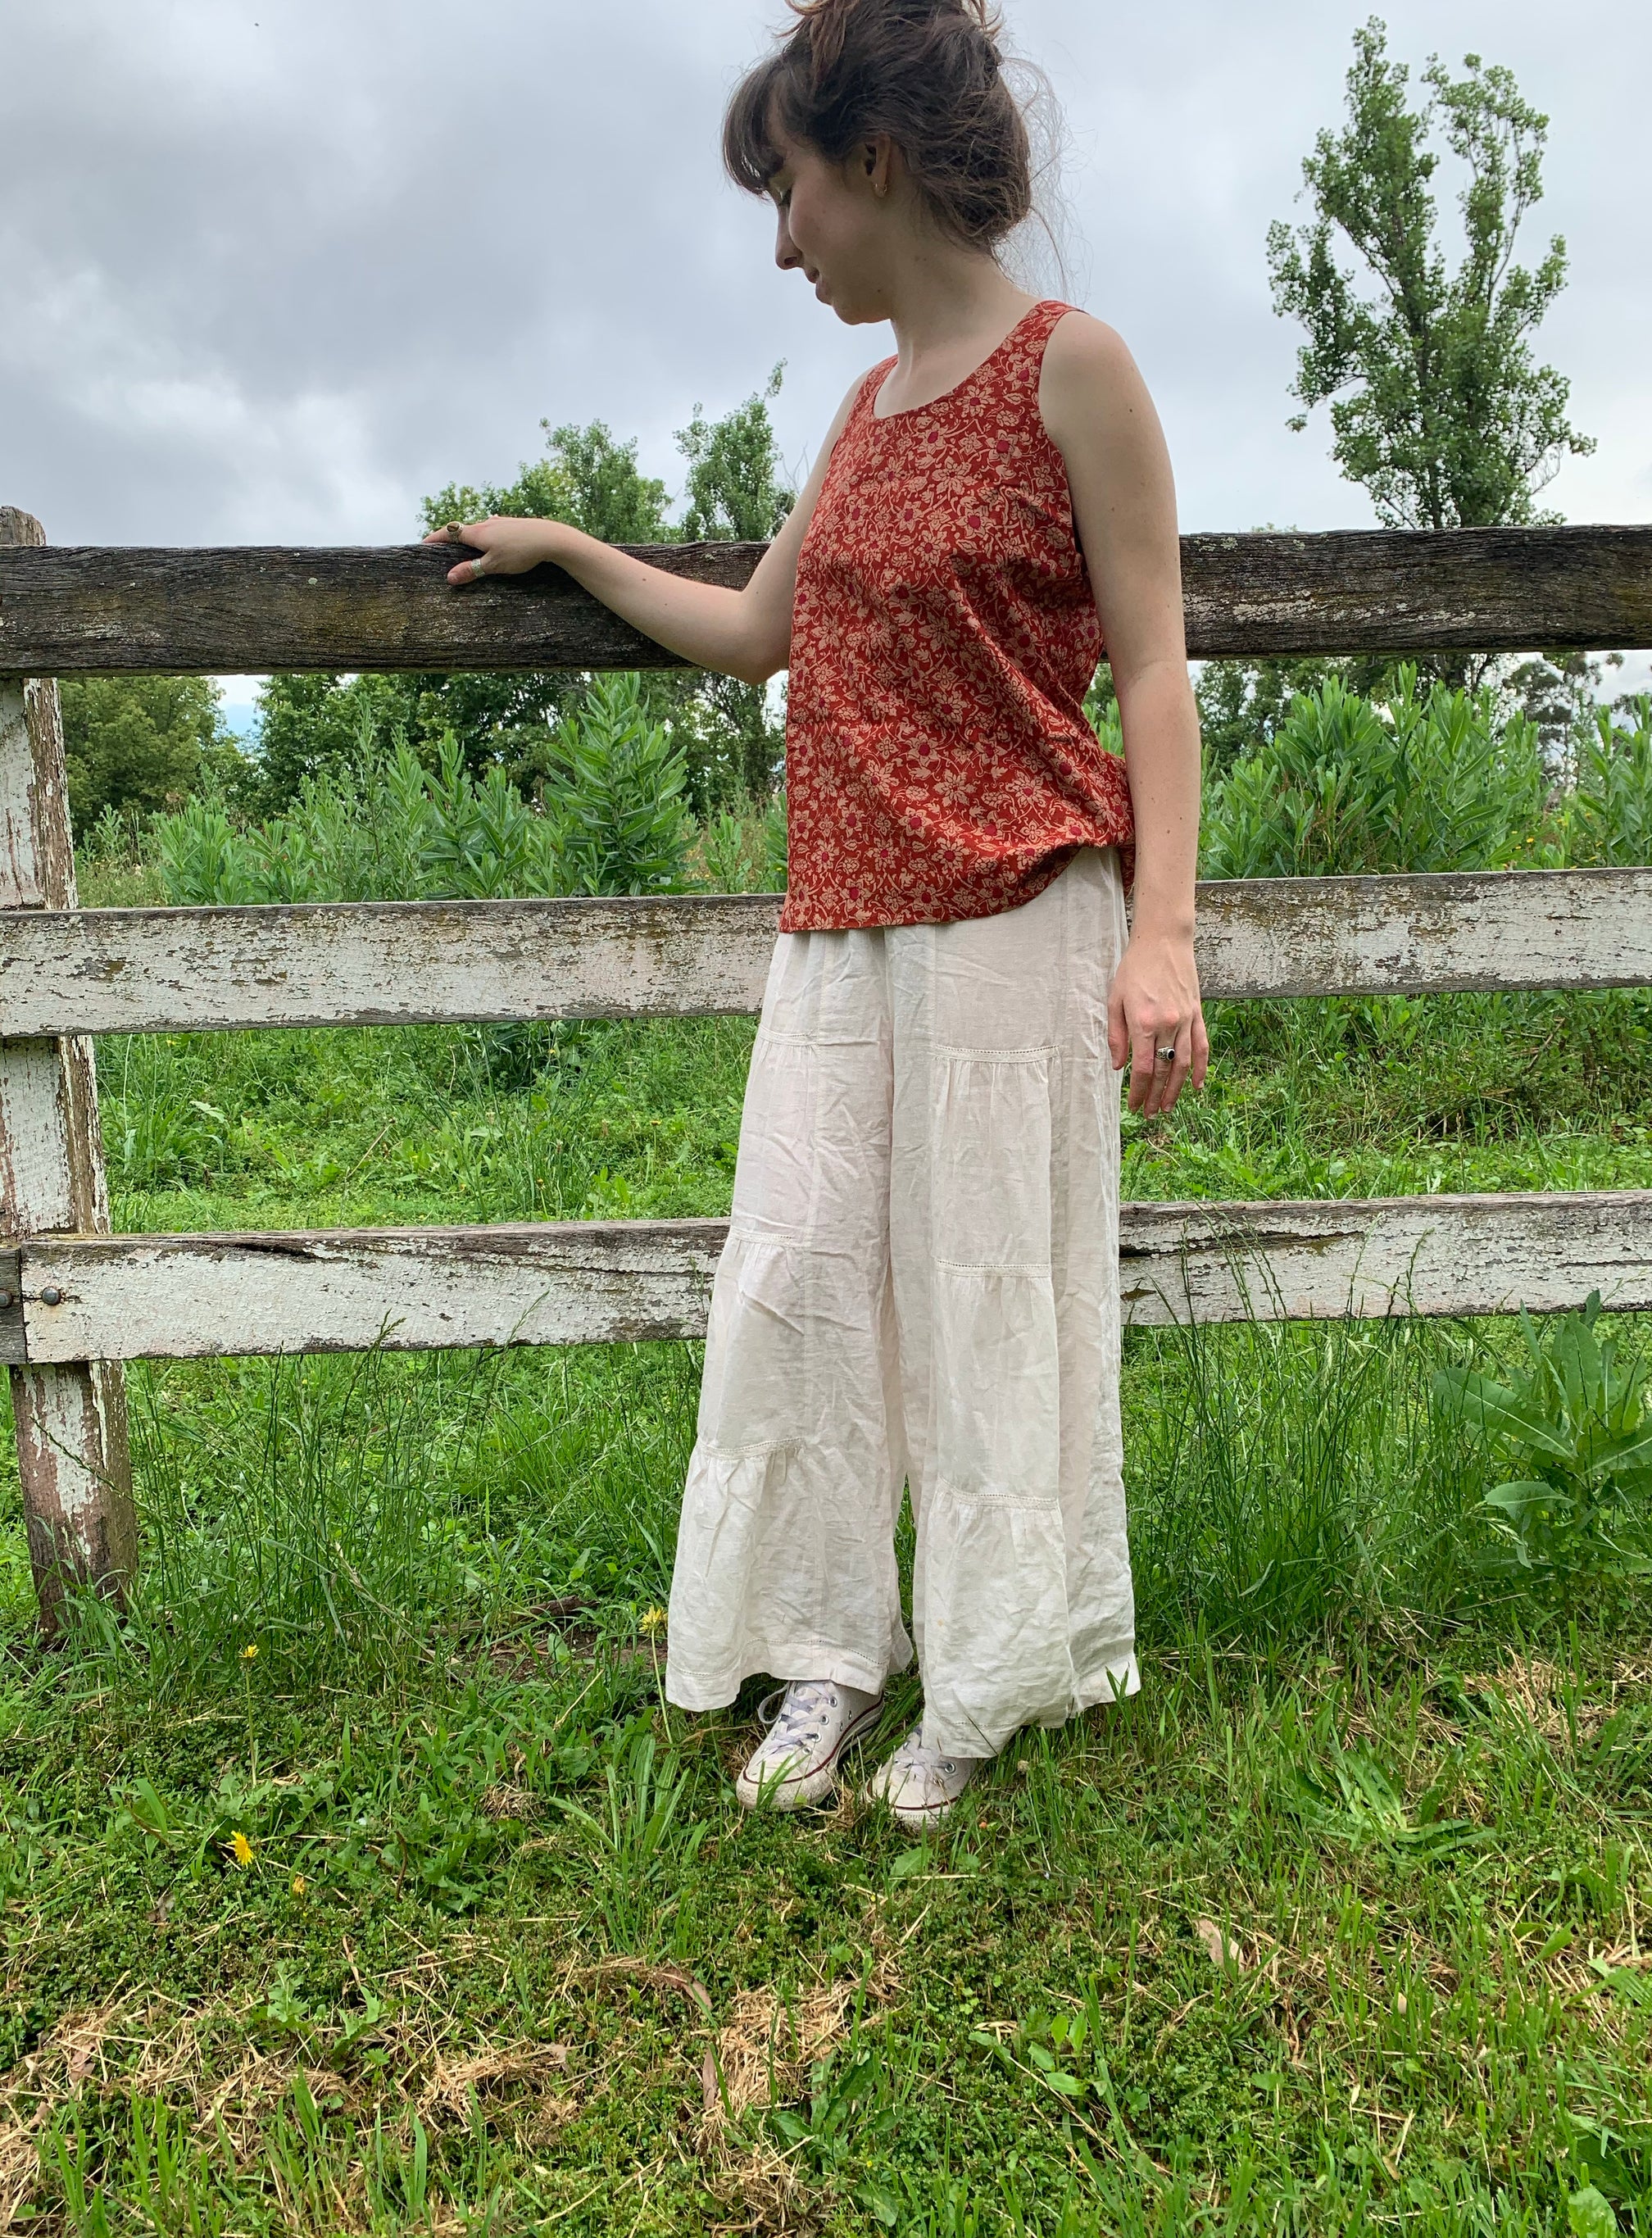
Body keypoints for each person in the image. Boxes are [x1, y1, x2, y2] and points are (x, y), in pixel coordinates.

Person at [424, 0, 1208, 1827]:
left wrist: (1163, 930)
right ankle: (830, 1650)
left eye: (786, 195)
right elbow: (757, 628)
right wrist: (573, 549)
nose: (780, 244)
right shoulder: (859, 410)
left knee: (989, 1301)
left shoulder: (1071, 367)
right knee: (799, 1290)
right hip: (840, 923)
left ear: (870, 162)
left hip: (1020, 914)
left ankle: (988, 1678)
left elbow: (1157, 672)